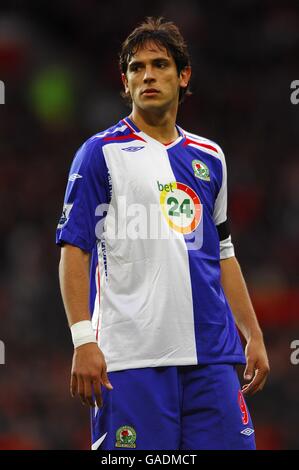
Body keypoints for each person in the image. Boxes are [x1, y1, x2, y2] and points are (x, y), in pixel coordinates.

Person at [56, 17, 270, 450]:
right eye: (137, 67)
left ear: (183, 74)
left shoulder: (210, 157)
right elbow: (73, 250)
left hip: (211, 356)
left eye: (159, 64)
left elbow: (223, 252)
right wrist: (83, 340)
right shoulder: (100, 153)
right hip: (132, 360)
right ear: (125, 80)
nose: (148, 75)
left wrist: (254, 334)